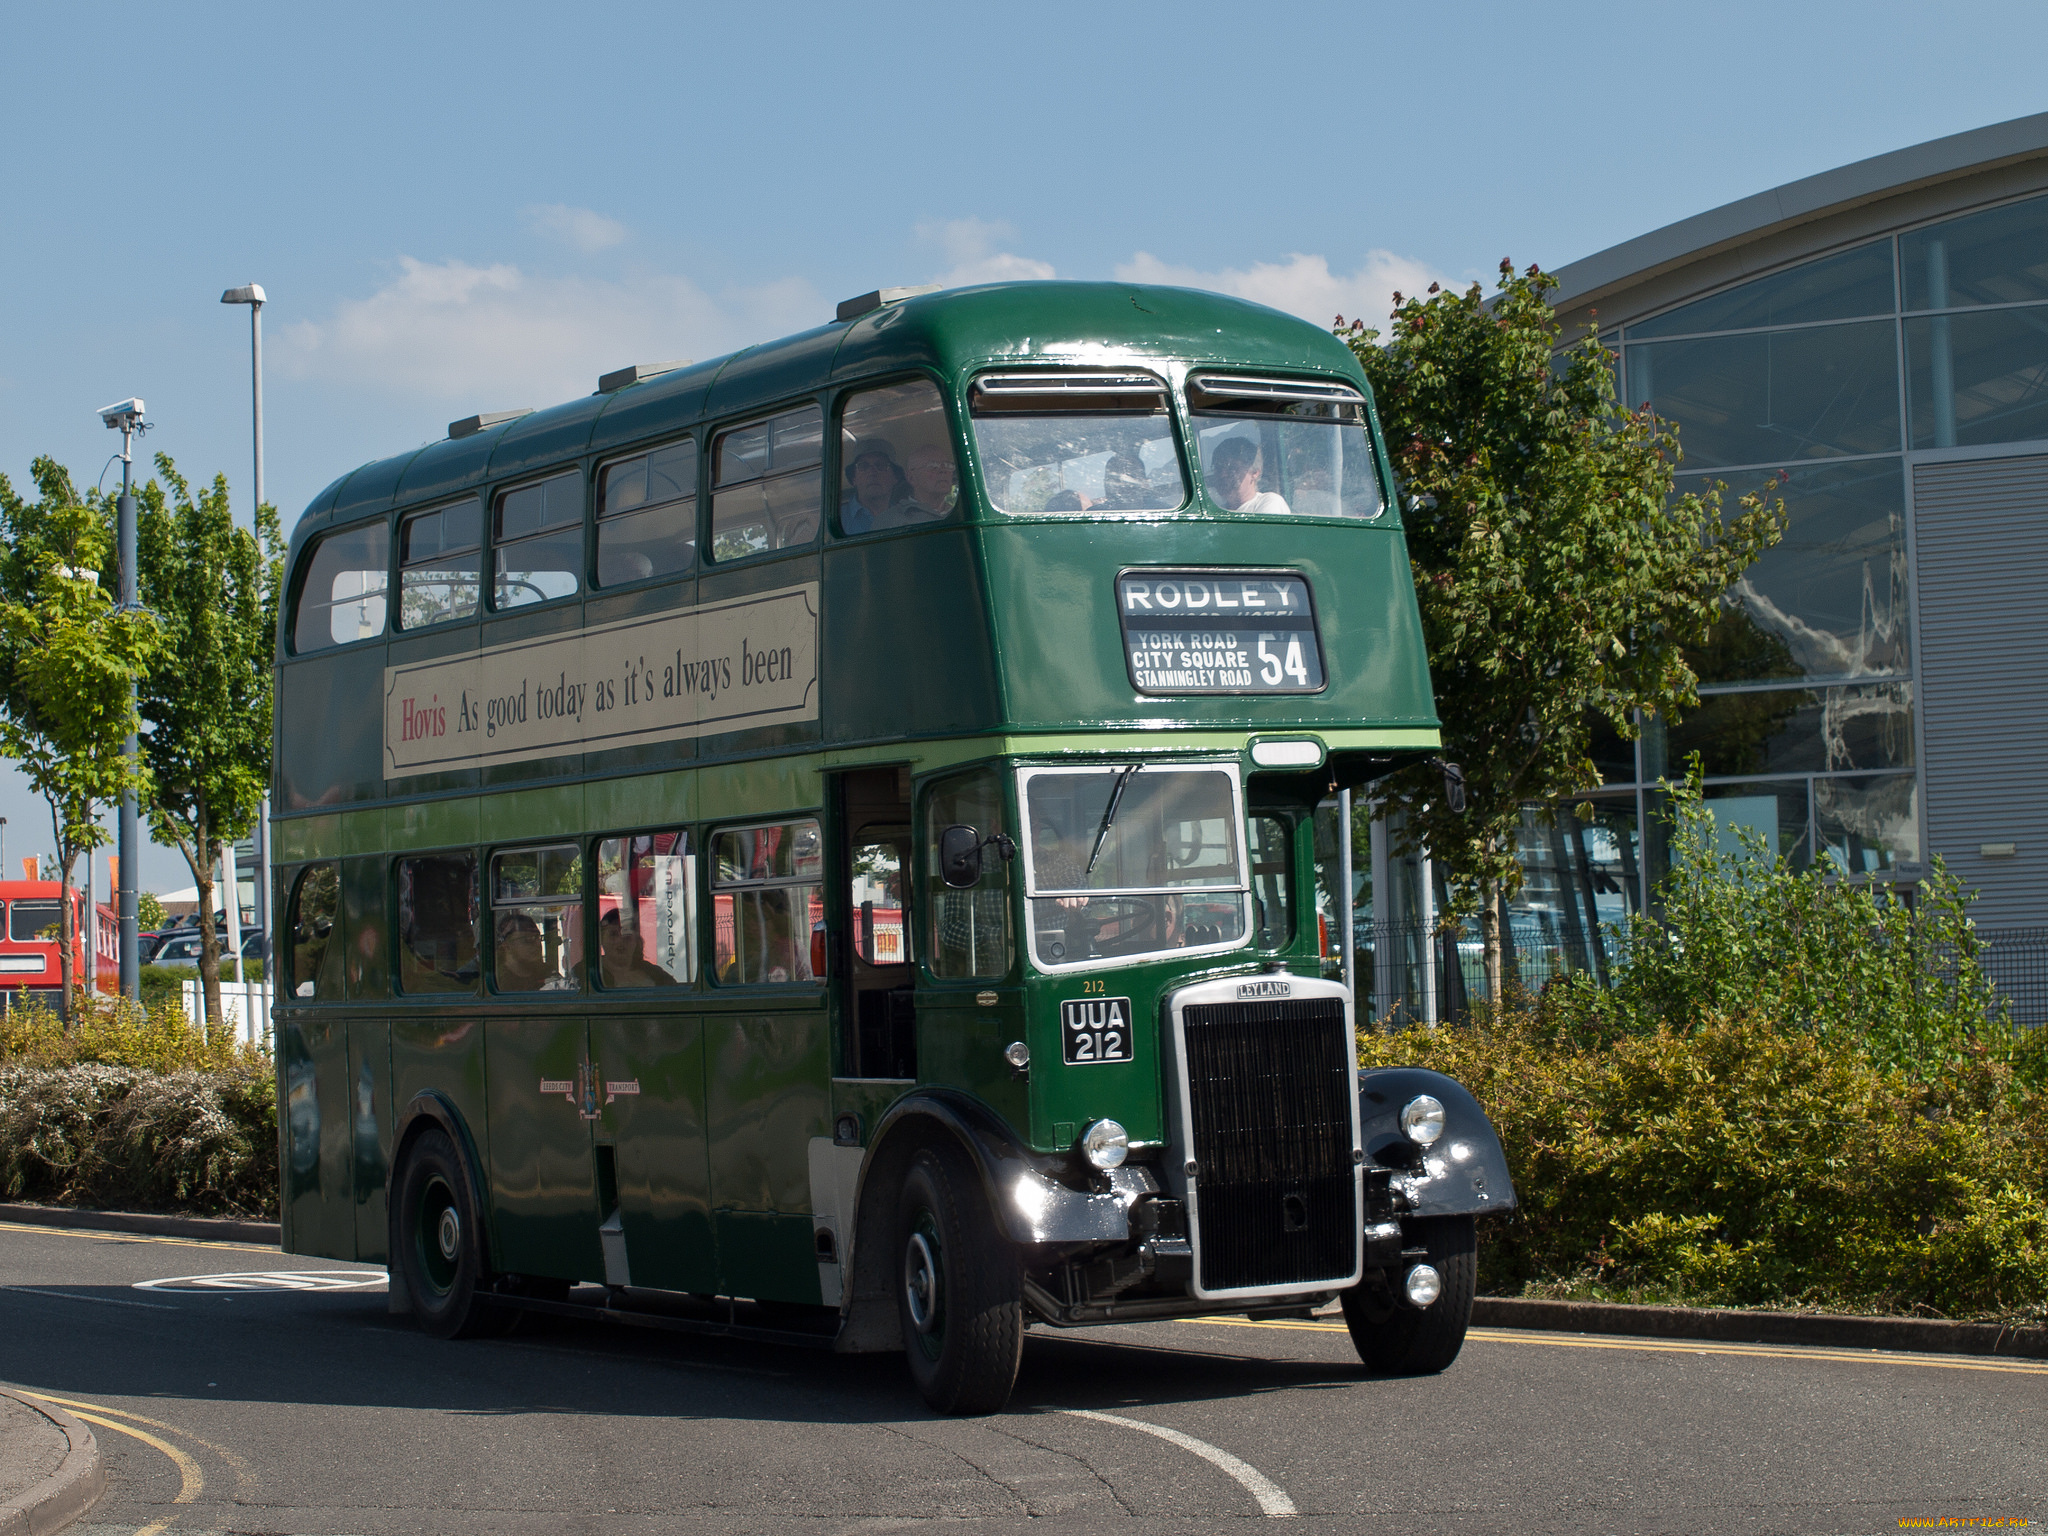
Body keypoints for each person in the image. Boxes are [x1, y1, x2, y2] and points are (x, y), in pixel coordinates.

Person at [840, 439, 909, 533]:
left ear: (895, 477)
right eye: (863, 466)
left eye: (881, 465)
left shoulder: (908, 517)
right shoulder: (837, 520)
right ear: (853, 478)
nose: (872, 472)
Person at [1208, 436, 1290, 514]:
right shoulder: (1215, 511)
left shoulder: (1269, 502)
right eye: (1218, 468)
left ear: (1255, 472)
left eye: (1232, 468)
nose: (1223, 474)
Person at [598, 907, 676, 988]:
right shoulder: (591, 973)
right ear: (601, 939)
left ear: (636, 940)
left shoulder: (654, 972)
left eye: (626, 933)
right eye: (613, 934)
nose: (620, 940)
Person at [901, 444, 959, 520]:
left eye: (947, 465)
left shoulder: (961, 514)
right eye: (933, 466)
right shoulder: (891, 521)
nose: (943, 471)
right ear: (911, 478)